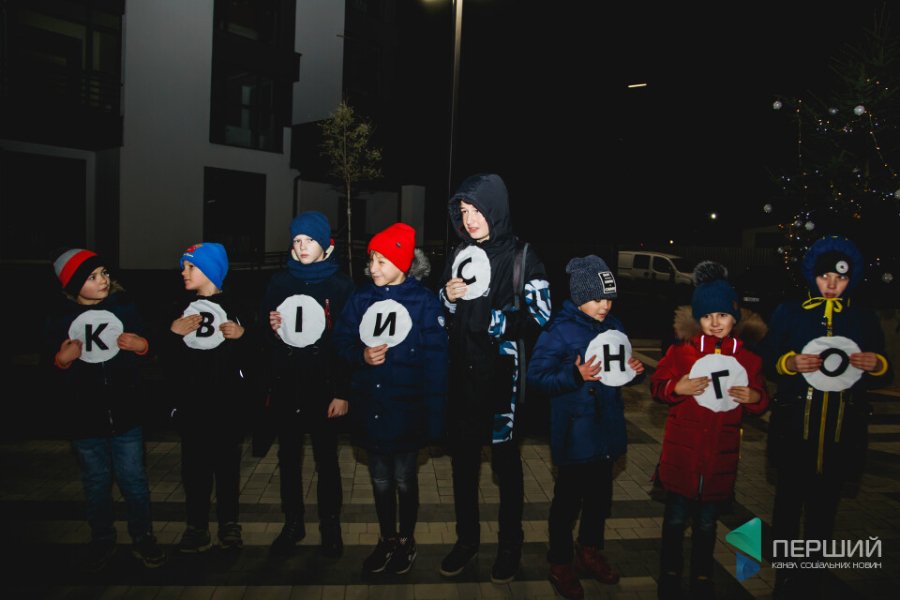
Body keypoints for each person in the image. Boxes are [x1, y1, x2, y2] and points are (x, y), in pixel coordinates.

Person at [761, 235, 892, 598]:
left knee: (824, 509)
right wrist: (788, 363)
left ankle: (812, 576)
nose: (832, 284)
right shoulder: (790, 312)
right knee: (787, 506)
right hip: (794, 429)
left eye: (841, 278)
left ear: (852, 278)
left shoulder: (862, 318)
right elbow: (767, 358)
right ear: (812, 275)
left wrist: (877, 364)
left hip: (840, 433)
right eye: (825, 276)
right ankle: (786, 576)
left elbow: (883, 369)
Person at [438, 173, 552, 583]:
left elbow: (541, 314)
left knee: (506, 468)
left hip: (503, 382)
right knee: (463, 468)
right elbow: (443, 318)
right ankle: (466, 541)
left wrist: (500, 321)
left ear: (496, 210)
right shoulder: (459, 253)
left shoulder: (523, 255)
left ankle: (510, 546)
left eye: (477, 210)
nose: (470, 220)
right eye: (464, 211)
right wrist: (447, 298)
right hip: (462, 379)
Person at [527, 255, 646, 600]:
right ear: (579, 297)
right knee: (566, 504)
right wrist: (573, 375)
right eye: (596, 299)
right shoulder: (559, 330)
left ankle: (589, 550)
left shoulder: (615, 326)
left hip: (606, 430)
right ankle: (560, 561)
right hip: (574, 433)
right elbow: (537, 378)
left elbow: (618, 371)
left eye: (609, 299)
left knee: (599, 500)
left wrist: (634, 372)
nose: (604, 306)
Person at [332, 222, 448, 575]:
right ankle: (387, 538)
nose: (373, 268)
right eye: (371, 260)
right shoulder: (361, 298)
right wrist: (361, 356)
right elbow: (341, 341)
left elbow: (437, 364)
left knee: (404, 479)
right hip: (372, 408)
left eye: (382, 261)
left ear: (403, 263)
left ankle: (406, 540)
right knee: (380, 479)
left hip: (408, 411)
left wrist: (435, 418)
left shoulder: (424, 302)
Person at [650, 261, 769, 600]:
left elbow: (761, 399)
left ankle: (702, 574)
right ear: (697, 319)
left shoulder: (748, 359)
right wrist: (676, 387)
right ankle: (669, 571)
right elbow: (657, 386)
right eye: (707, 316)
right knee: (675, 520)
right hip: (682, 457)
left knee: (706, 523)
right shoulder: (681, 352)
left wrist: (756, 398)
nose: (715, 322)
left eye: (723, 315)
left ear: (735, 318)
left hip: (719, 460)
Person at [43, 248, 167, 572]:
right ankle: (102, 539)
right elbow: (47, 367)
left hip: (126, 415)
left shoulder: (124, 308)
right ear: (73, 285)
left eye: (104, 273)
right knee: (96, 483)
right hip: (84, 419)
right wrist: (60, 360)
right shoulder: (60, 319)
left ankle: (143, 537)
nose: (103, 280)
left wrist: (143, 346)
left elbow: (150, 344)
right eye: (92, 276)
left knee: (134, 481)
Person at [258, 211, 354, 556]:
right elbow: (265, 333)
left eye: (309, 240)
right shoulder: (279, 282)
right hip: (288, 384)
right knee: (288, 458)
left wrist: (342, 392)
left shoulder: (341, 286)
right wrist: (270, 327)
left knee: (326, 459)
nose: (302, 246)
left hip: (324, 387)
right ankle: (293, 523)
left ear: (326, 245)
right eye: (297, 240)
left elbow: (349, 342)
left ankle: (331, 526)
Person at [165, 243, 248, 553]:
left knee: (228, 470)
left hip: (227, 406)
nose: (183, 272)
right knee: (194, 470)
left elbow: (254, 358)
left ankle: (229, 523)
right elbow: (167, 362)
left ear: (211, 270)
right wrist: (172, 335)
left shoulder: (236, 306)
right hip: (192, 406)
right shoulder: (178, 306)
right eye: (183, 267)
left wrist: (243, 337)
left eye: (191, 267)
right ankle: (197, 526)